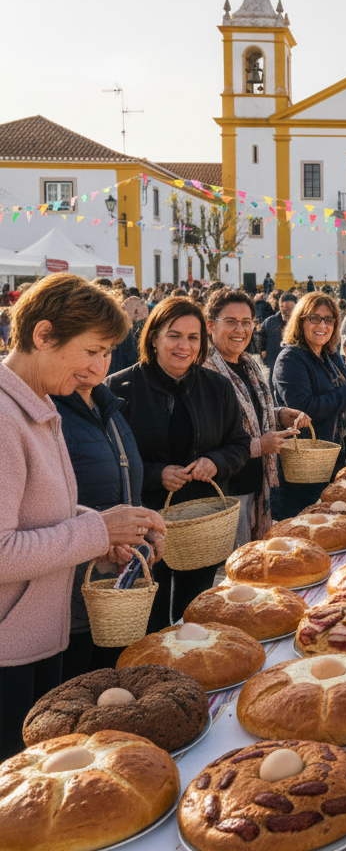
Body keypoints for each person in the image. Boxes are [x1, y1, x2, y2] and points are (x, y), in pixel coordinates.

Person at [1, 274, 167, 758]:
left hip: (35, 639)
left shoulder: (39, 404)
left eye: (107, 353)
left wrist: (103, 532)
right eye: (91, 351)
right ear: (43, 335)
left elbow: (39, 511)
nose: (98, 371)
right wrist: (96, 528)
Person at [108, 297, 251, 629]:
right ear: (154, 337)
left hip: (200, 526)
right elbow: (111, 462)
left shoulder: (216, 386)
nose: (184, 345)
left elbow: (240, 444)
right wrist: (157, 474)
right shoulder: (120, 388)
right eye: (174, 335)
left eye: (193, 337)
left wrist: (215, 462)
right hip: (143, 526)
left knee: (195, 615)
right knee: (149, 619)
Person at [55, 354, 149, 681]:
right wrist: (103, 532)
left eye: (106, 351)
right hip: (70, 599)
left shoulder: (106, 405)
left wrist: (142, 532)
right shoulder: (49, 411)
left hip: (116, 591)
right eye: (88, 350)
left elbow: (127, 486)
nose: (98, 364)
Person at [203, 290, 311, 543]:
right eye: (230, 321)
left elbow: (251, 413)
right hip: (226, 489)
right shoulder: (204, 371)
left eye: (246, 322)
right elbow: (207, 436)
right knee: (236, 566)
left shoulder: (247, 364)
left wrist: (279, 413)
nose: (239, 329)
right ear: (210, 325)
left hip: (255, 482)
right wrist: (258, 446)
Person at [273, 293, 346, 519]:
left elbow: (342, 392)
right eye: (314, 318)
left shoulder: (329, 355)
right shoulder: (291, 359)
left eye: (329, 320)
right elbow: (304, 407)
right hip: (304, 468)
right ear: (300, 321)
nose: (322, 325)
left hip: (332, 459)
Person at [261, 291, 296, 378]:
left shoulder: (302, 322)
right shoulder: (270, 322)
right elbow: (262, 339)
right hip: (274, 365)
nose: (285, 311)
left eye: (289, 308)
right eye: (282, 307)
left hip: (295, 367)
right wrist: (264, 354)